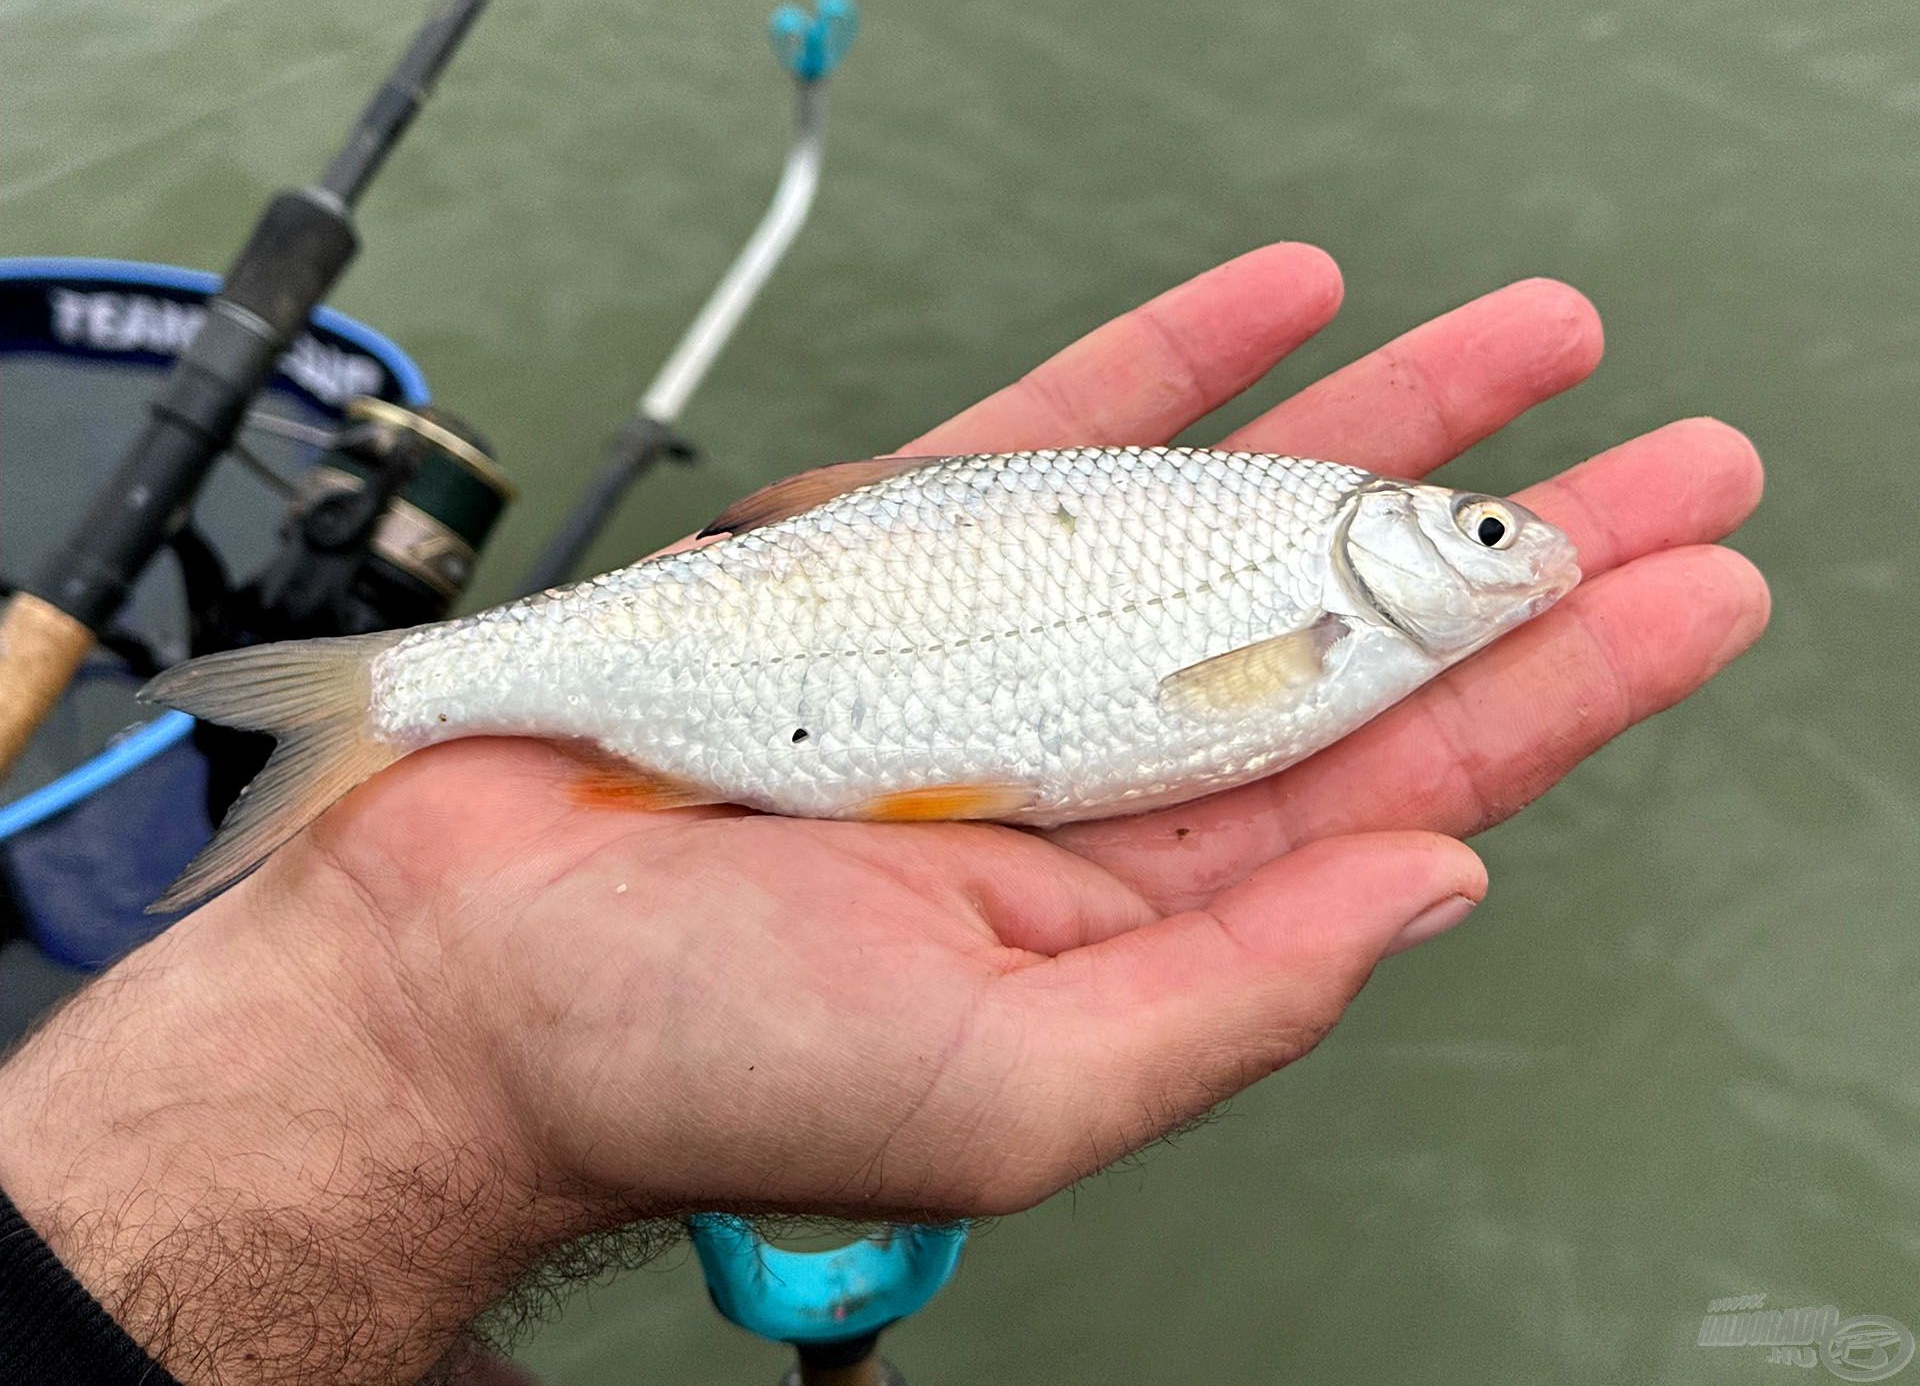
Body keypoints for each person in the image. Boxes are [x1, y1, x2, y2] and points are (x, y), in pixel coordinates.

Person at [0, 244, 1768, 1385]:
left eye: (1488, 534)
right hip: (763, 674)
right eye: (1476, 531)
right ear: (1374, 547)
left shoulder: (1315, 582)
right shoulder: (1315, 575)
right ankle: (389, 700)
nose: (1515, 552)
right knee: (405, 688)